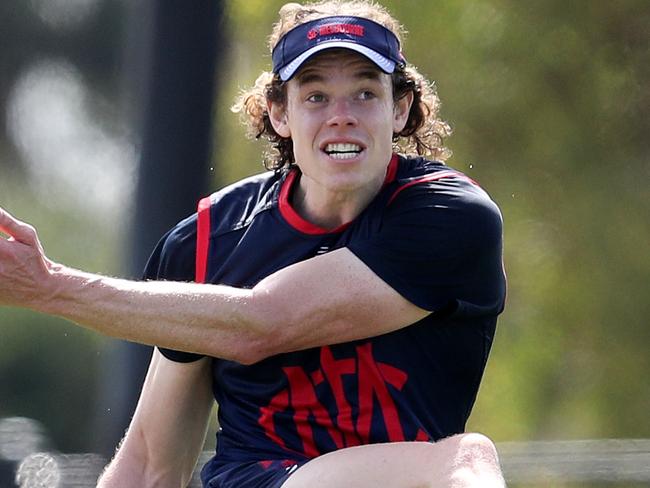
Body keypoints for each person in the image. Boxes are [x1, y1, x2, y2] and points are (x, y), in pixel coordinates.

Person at [0, 1, 508, 487]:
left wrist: (50, 287)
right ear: (279, 114)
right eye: (314, 96)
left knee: (463, 461)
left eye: (365, 93)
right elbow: (151, 468)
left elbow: (264, 323)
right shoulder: (209, 242)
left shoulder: (451, 219)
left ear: (400, 109)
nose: (341, 115)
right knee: (464, 459)